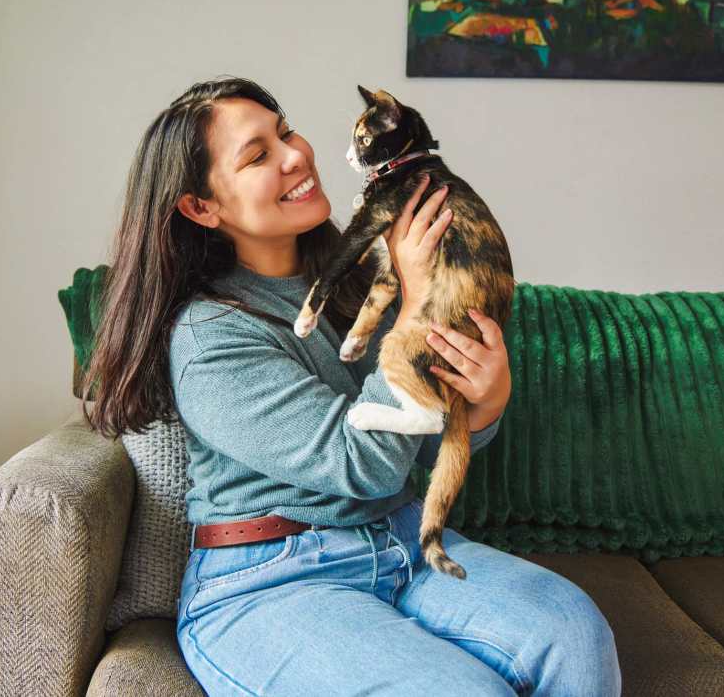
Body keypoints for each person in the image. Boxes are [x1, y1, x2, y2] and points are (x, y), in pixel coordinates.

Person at [82, 76, 622, 696]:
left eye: (284, 131)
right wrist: (418, 304)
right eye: (258, 155)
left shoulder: (364, 280)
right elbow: (364, 465)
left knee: (573, 630)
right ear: (202, 208)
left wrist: (483, 405)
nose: (295, 155)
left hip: (404, 541)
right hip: (274, 580)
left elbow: (419, 446)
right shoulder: (211, 335)